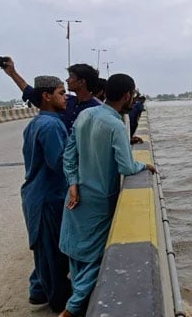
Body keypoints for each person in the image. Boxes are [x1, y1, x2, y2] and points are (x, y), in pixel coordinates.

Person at [58, 73, 157, 317]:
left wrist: (72, 182)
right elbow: (126, 166)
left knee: (78, 255)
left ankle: (76, 305)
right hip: (100, 201)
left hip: (77, 195)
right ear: (127, 96)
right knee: (96, 257)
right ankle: (69, 311)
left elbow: (69, 154)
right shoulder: (115, 124)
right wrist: (144, 166)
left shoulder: (85, 115)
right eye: (132, 94)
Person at [21, 76, 72, 313]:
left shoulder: (36, 123)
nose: (66, 97)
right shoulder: (51, 125)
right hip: (47, 198)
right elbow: (59, 162)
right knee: (53, 256)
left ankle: (39, 291)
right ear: (47, 96)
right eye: (62, 93)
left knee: (44, 251)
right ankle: (59, 303)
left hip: (36, 195)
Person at [2, 57, 100, 131]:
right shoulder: (66, 101)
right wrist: (12, 73)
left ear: (81, 82)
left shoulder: (97, 110)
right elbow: (31, 93)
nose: (67, 80)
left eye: (71, 77)